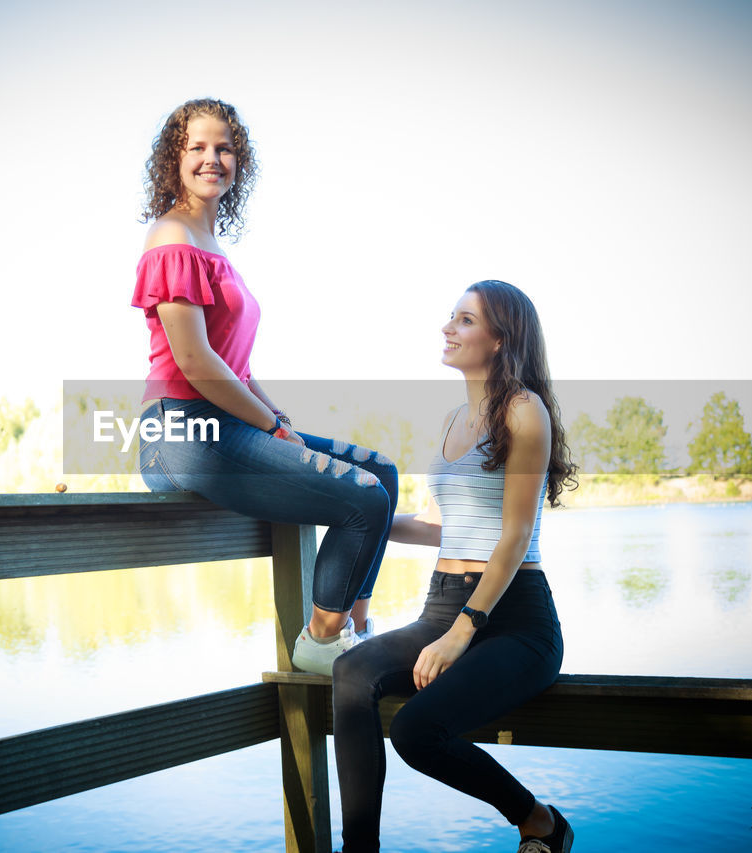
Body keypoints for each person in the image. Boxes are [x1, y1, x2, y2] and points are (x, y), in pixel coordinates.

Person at [131, 97, 398, 675]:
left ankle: (353, 630)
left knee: (381, 475)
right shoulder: (170, 236)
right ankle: (321, 645)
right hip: (181, 432)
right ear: (173, 160)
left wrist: (281, 418)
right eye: (197, 147)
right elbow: (197, 364)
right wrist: (273, 428)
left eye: (223, 148)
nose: (212, 158)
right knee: (362, 496)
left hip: (223, 425)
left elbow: (236, 366)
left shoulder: (214, 249)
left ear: (238, 161)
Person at [331, 280, 578, 853]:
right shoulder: (450, 420)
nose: (448, 328)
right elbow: (444, 528)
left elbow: (514, 538)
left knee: (416, 731)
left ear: (499, 340)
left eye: (465, 320)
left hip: (512, 620)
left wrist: (462, 632)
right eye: (452, 317)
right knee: (350, 675)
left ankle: (538, 820)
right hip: (442, 604)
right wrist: (363, 514)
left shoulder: (524, 411)